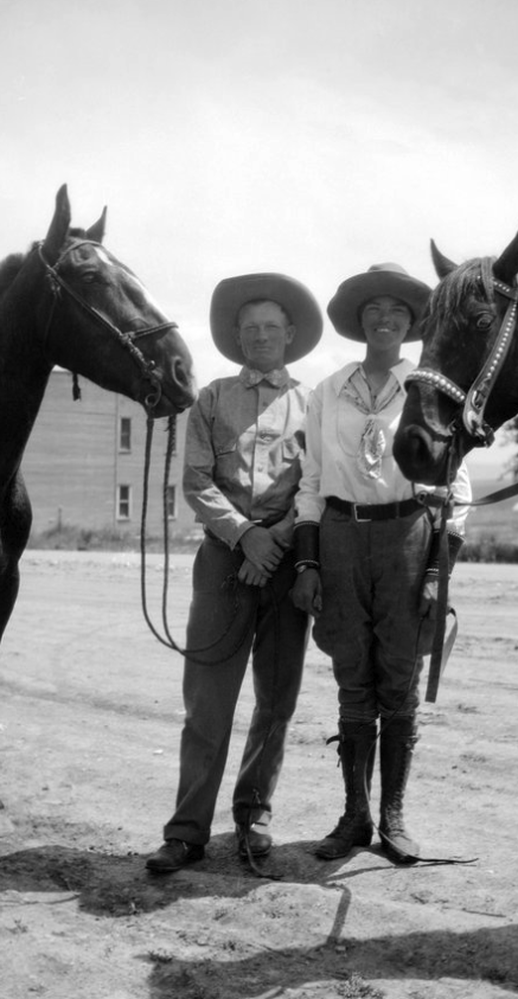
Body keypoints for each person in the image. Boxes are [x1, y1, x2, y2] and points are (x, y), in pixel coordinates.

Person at [291, 262, 471, 864]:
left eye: (397, 310)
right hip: (340, 538)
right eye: (374, 310)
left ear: (413, 322)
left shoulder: (432, 388)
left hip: (409, 538)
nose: (385, 319)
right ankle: (354, 816)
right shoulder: (327, 390)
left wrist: (439, 571)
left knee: (400, 680)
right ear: (359, 320)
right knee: (352, 680)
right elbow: (312, 483)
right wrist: (308, 564)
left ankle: (393, 815)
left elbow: (458, 487)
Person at [146, 273, 322, 873]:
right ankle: (187, 831)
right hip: (224, 560)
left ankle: (253, 816)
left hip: (285, 560)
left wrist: (274, 542)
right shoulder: (211, 399)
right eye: (250, 329)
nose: (261, 337)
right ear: (237, 338)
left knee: (276, 700)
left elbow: (316, 485)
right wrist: (244, 536)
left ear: (291, 336)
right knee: (208, 703)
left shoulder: (313, 404)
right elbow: (196, 482)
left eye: (272, 328)